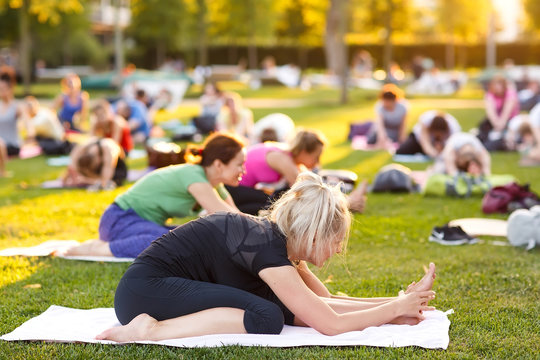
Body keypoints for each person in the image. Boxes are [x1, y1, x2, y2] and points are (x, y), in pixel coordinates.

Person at [96, 172, 437, 342]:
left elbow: (324, 303)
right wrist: (394, 308)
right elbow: (328, 323)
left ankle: (151, 326)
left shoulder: (277, 245)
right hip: (148, 293)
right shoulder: (266, 247)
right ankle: (150, 331)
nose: (337, 251)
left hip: (161, 289)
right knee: (266, 316)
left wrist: (399, 305)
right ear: (314, 236)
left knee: (277, 311)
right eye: (336, 242)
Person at [61, 133, 246, 258]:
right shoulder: (194, 175)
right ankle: (96, 249)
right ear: (219, 164)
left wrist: (264, 226)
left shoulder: (215, 183)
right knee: (175, 242)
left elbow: (237, 216)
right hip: (120, 219)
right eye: (239, 164)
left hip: (142, 223)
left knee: (187, 237)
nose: (243, 170)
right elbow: (225, 216)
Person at [228, 129, 367, 215]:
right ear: (304, 152)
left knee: (282, 199)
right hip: (233, 188)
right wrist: (345, 203)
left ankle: (344, 204)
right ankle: (346, 204)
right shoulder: (283, 159)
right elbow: (306, 192)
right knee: (278, 203)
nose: (318, 162)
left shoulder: (288, 157)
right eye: (316, 156)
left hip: (240, 187)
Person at [0, 70, 34, 177]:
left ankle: (2, 171)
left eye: (3, 89)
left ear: (11, 89)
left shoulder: (17, 106)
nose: (0, 91)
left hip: (11, 145)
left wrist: (29, 134)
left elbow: (27, 122)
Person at [62, 137, 127, 191]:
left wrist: (86, 180)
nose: (87, 171)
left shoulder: (108, 150)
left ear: (99, 159)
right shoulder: (81, 149)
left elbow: (105, 181)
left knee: (112, 181)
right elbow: (71, 167)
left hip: (116, 168)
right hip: (96, 170)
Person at [478, 75, 519, 151]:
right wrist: (496, 124)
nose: (497, 87)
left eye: (500, 84)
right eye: (495, 85)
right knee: (483, 126)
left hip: (509, 120)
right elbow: (491, 113)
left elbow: (506, 113)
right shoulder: (490, 95)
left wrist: (500, 125)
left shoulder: (510, 94)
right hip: (495, 121)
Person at [396, 110, 461, 157]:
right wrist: (433, 153)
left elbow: (453, 146)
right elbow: (425, 142)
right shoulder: (426, 120)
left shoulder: (454, 128)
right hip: (417, 140)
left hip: (439, 146)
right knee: (402, 151)